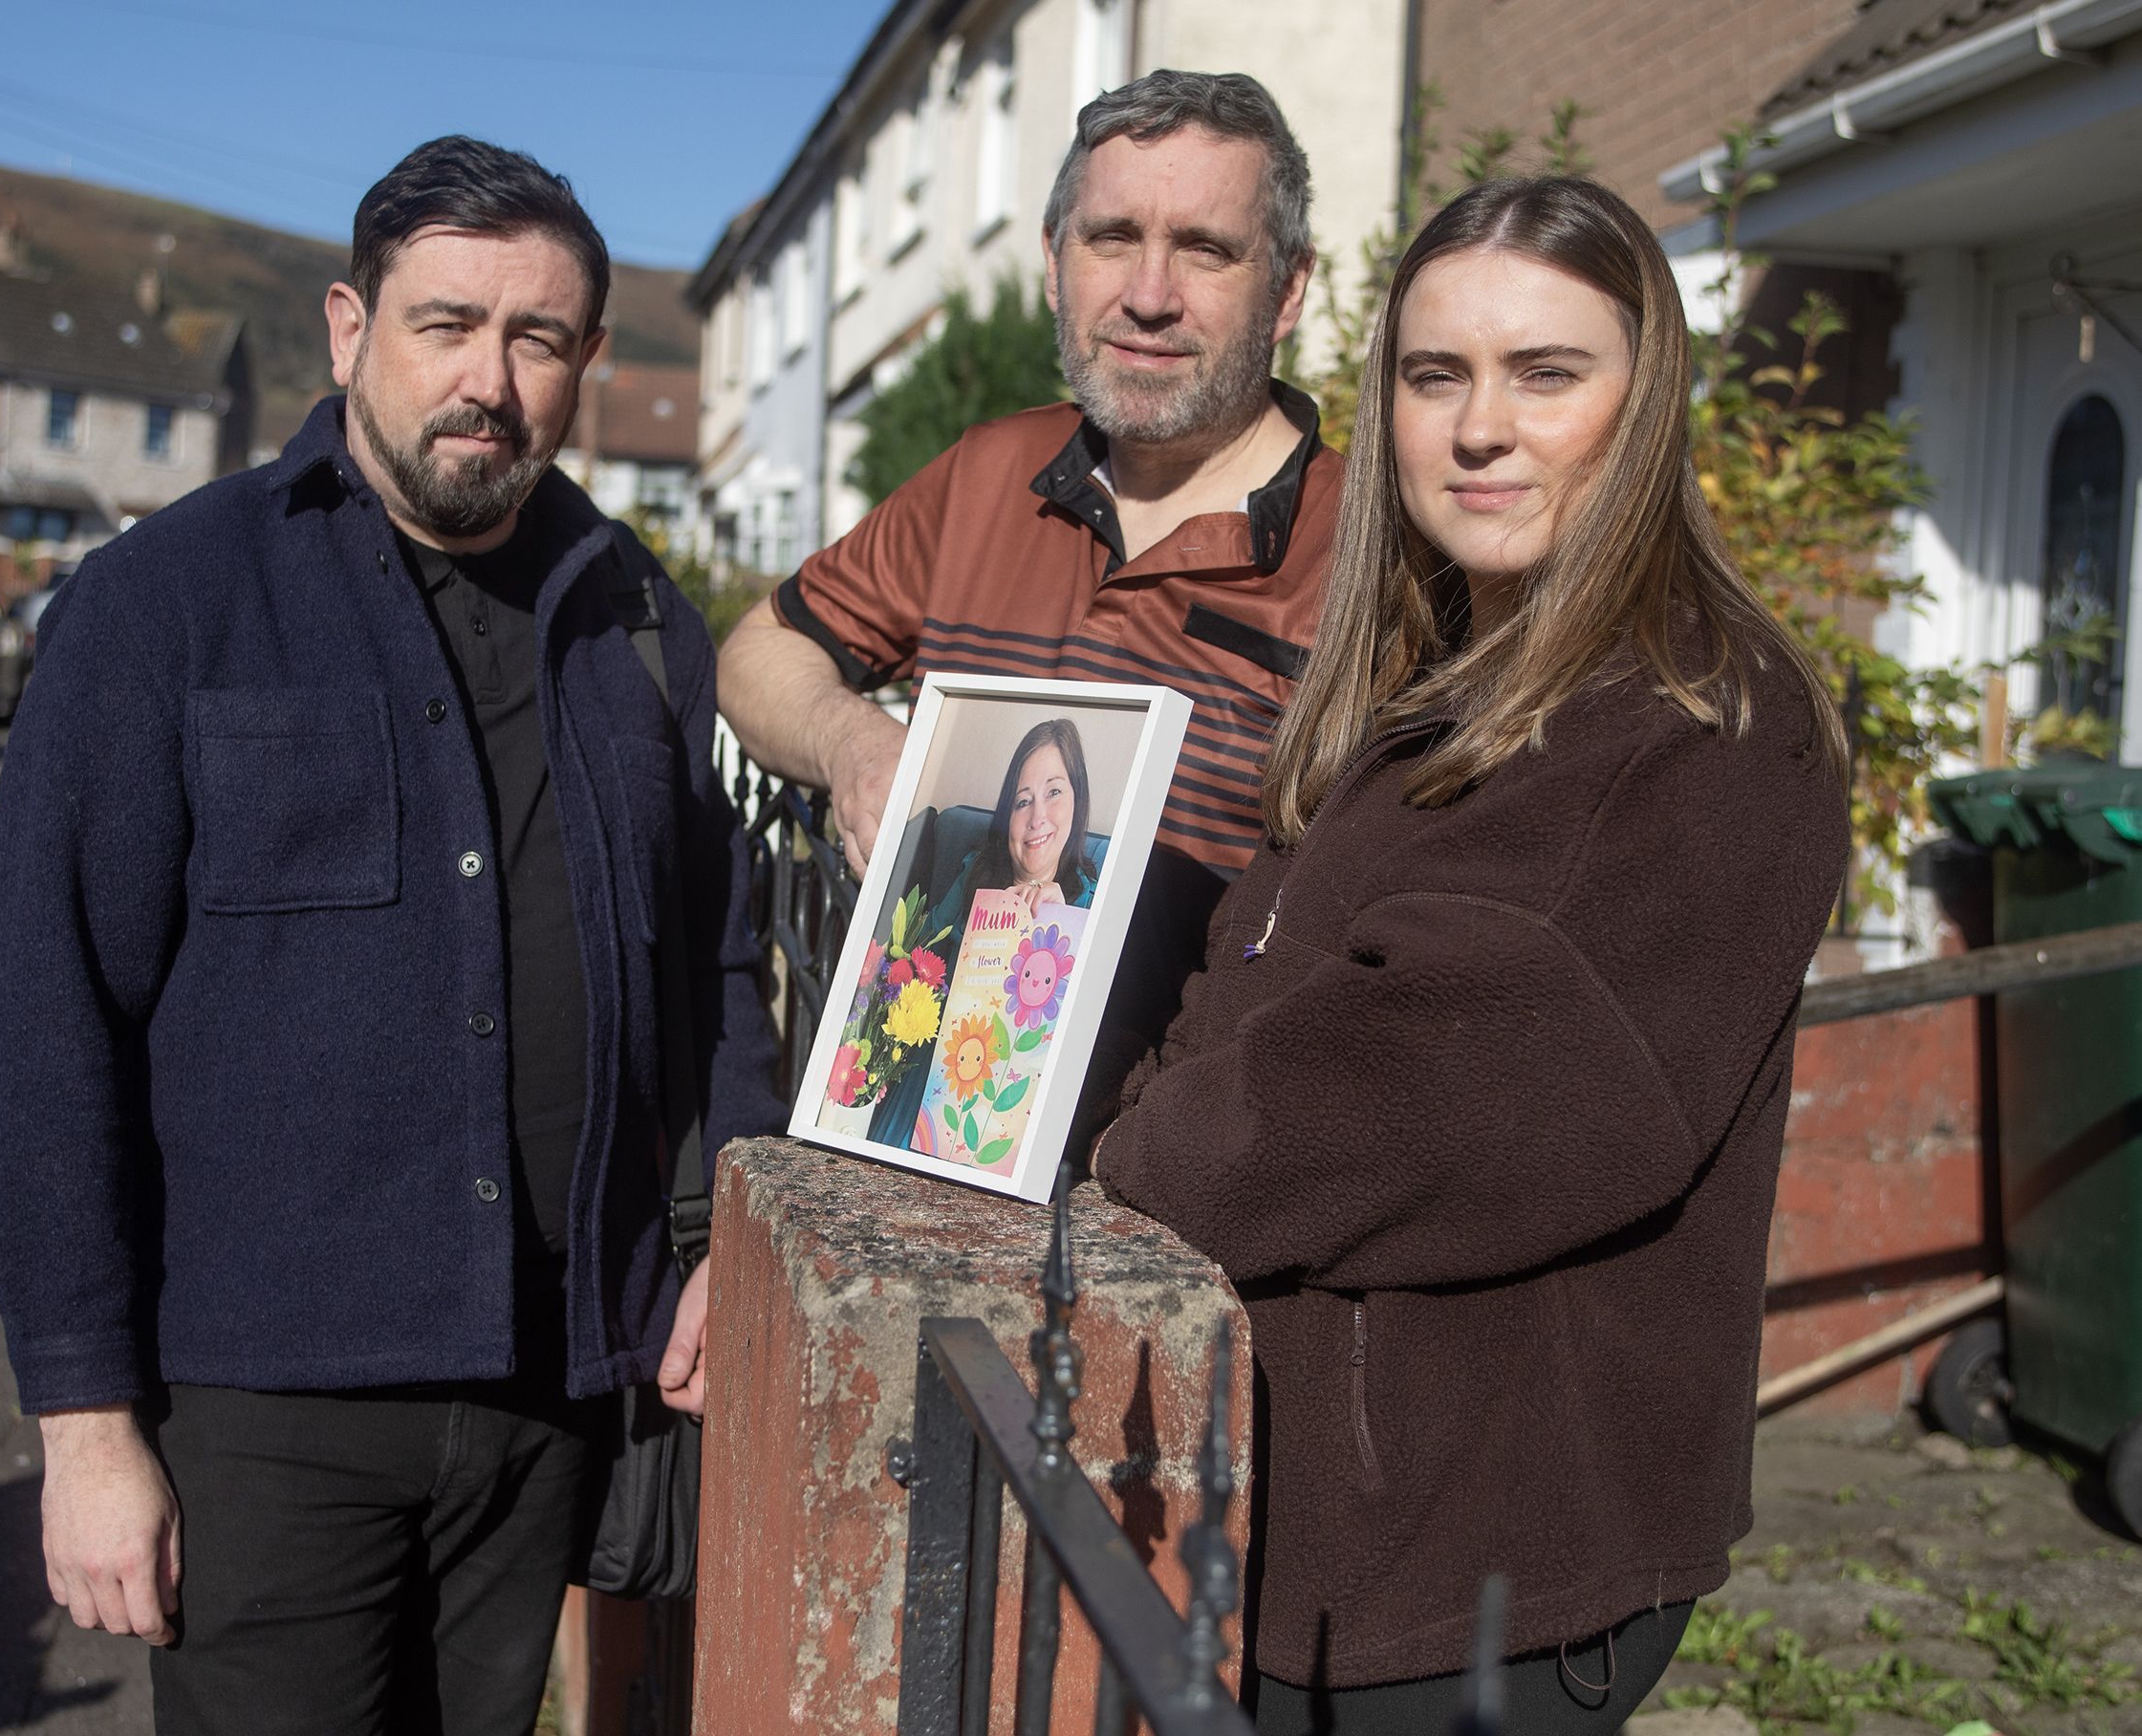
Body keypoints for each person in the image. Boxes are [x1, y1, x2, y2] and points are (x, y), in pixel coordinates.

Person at [0, 137, 782, 1736]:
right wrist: (82, 1422)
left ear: (590, 362)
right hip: (264, 1407)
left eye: (539, 339)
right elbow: (39, 1024)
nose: (492, 379)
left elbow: (720, 964)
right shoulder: (166, 607)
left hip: (549, 1386)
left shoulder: (635, 622)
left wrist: (722, 1228)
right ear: (350, 329)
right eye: (446, 323)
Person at [1093, 175, 1851, 1734]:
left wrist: (1129, 1146)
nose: (1480, 428)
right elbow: (1254, 986)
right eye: (1437, 375)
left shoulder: (1703, 718)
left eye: (1547, 373)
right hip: (1329, 1533)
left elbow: (1444, 1089)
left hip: (1488, 1568)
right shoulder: (1437, 682)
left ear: (1647, 404)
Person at [718, 70, 1343, 1131]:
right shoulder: (987, 473)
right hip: (929, 1118)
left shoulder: (1368, 545)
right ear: (1055, 262)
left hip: (1192, 1189)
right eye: (1111, 239)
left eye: (1205, 248)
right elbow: (759, 651)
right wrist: (859, 749)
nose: (1149, 294)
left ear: (1288, 288)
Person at [866, 718, 1096, 1148]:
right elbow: (918, 957)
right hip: (934, 1084)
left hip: (1015, 1111)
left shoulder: (1091, 901)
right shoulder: (975, 871)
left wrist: (1063, 924)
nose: (1037, 817)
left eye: (1054, 793)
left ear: (1077, 802)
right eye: (1022, 801)